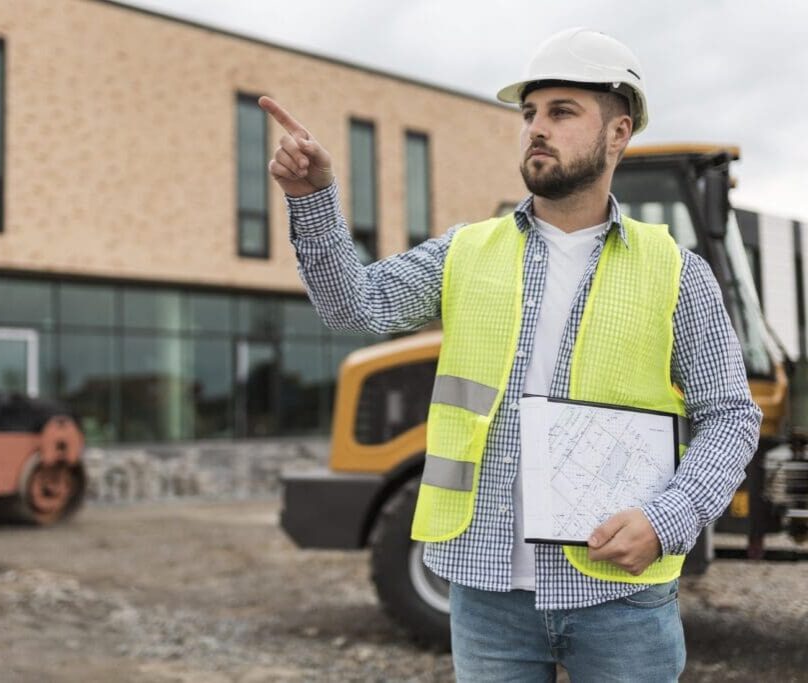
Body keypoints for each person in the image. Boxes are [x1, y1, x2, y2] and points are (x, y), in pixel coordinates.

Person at [261, 26, 762, 681]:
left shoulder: (677, 272)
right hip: (486, 592)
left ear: (618, 133)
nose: (536, 128)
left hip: (621, 598)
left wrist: (669, 519)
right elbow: (355, 304)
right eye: (529, 114)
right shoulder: (466, 250)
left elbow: (730, 415)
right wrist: (313, 201)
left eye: (561, 112)